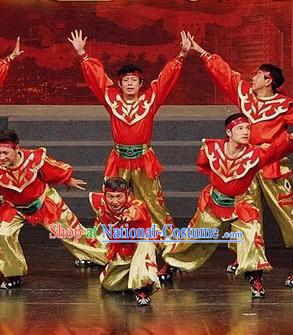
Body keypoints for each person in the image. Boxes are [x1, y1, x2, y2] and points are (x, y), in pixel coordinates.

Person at [68, 29, 191, 280]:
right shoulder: (111, 99)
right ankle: (101, 251)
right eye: (125, 80)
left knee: (155, 205)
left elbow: (166, 79)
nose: (130, 83)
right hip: (119, 159)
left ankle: (169, 252)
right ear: (120, 84)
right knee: (110, 204)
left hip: (144, 160)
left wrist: (181, 55)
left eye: (134, 80)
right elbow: (97, 78)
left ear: (140, 83)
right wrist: (82, 54)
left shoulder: (150, 99)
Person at [187, 33, 293, 286]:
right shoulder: (246, 95)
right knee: (243, 213)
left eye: (257, 75)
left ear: (268, 80)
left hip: (271, 165)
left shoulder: (285, 104)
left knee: (289, 215)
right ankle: (245, 258)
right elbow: (225, 74)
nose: (251, 78)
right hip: (243, 165)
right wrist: (200, 50)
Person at [162, 113, 293, 298]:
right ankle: (170, 264)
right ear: (229, 131)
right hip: (215, 202)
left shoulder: (255, 154)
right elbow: (204, 166)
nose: (246, 132)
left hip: (241, 205)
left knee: (252, 236)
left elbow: (279, 148)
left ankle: (255, 279)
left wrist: (290, 138)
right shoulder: (212, 148)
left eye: (248, 128)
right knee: (195, 238)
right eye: (241, 128)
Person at [0, 129, 108, 289]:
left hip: (44, 203)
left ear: (16, 149)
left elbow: (52, 170)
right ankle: (12, 273)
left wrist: (67, 180)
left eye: (5, 153)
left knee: (72, 233)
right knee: (4, 233)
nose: (2, 157)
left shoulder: (34, 160)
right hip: (14, 208)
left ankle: (105, 257)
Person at [89, 177, 160, 306]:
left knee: (145, 243)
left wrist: (128, 217)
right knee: (110, 284)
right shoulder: (102, 207)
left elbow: (137, 212)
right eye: (111, 196)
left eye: (119, 197)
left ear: (127, 194)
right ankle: (132, 280)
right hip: (121, 250)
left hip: (139, 246)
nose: (115, 201)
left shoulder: (136, 206)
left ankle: (142, 290)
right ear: (105, 194)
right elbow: (100, 226)